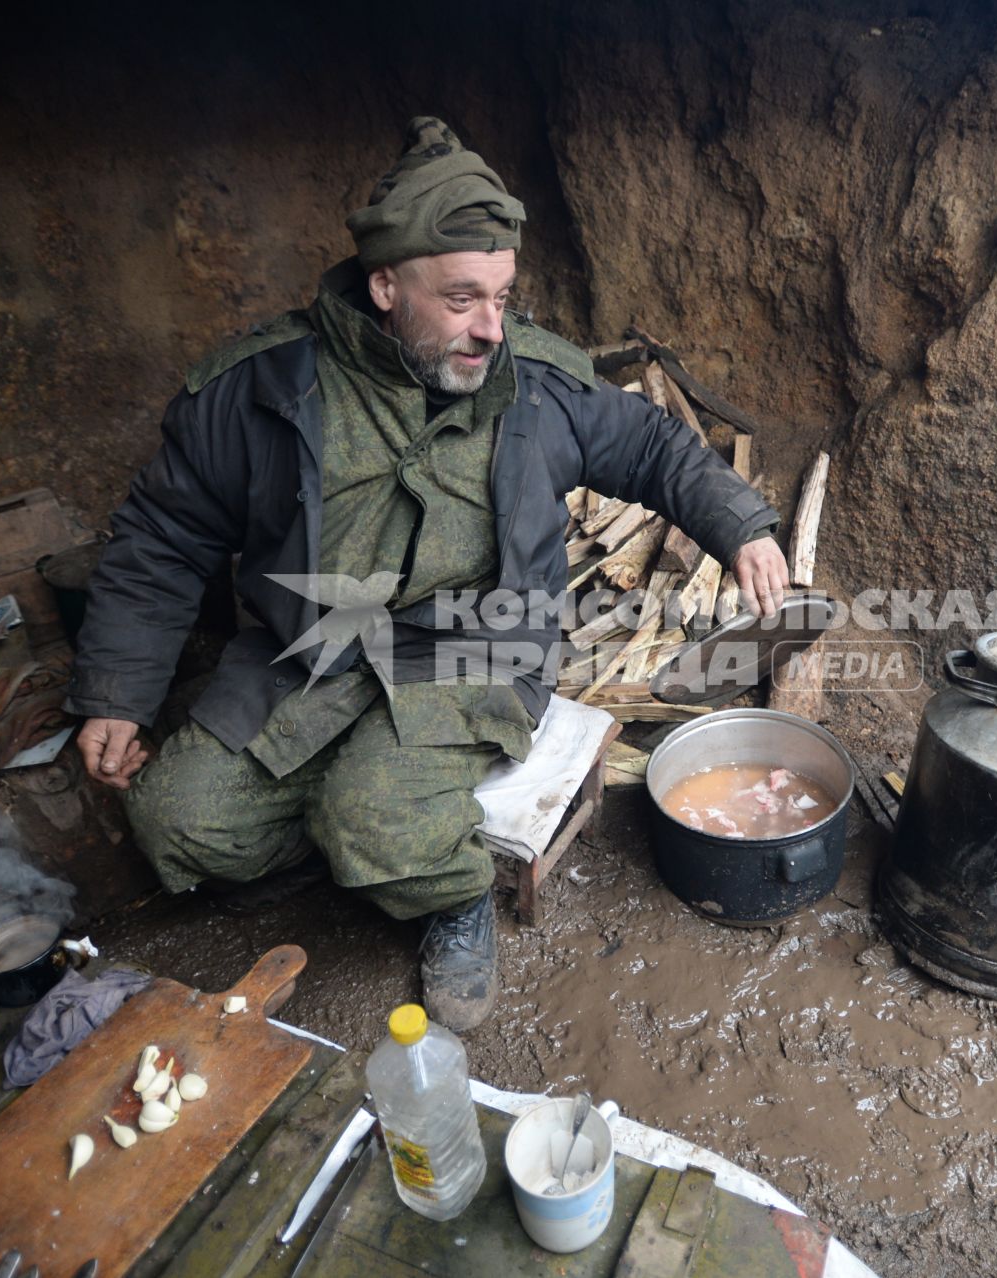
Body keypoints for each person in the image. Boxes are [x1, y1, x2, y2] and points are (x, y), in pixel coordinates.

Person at [65, 117, 788, 1031]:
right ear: (384, 286)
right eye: (461, 299)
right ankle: (345, 838)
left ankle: (451, 898)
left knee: (374, 816)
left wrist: (743, 528)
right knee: (176, 821)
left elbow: (648, 445)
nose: (493, 326)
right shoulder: (263, 392)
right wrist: (119, 693)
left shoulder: (532, 383)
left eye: (503, 294)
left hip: (472, 657)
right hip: (314, 653)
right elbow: (163, 535)